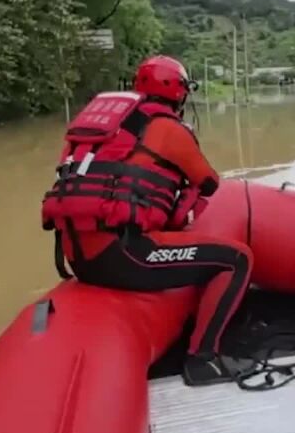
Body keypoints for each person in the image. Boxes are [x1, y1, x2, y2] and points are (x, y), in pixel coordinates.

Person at [40, 55, 252, 386]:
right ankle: (203, 361)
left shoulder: (87, 134)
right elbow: (208, 181)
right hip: (124, 254)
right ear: (179, 92)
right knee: (237, 260)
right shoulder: (168, 129)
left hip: (77, 261)